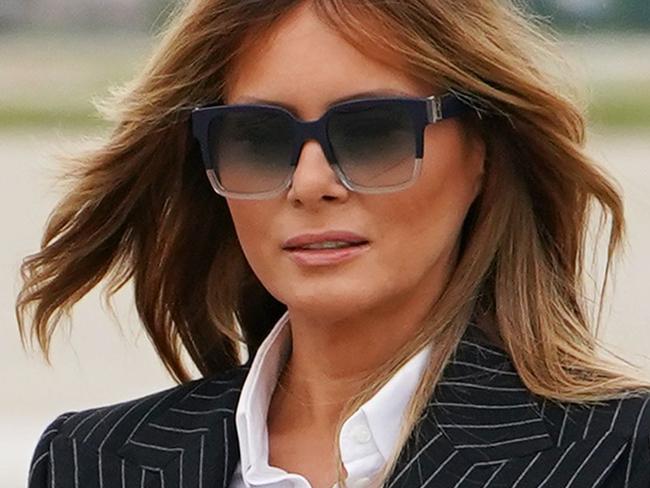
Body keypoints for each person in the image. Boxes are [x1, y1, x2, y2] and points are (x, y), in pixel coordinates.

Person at [17, 0, 650, 487]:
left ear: (482, 154)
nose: (311, 183)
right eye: (257, 139)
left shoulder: (623, 452)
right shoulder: (88, 460)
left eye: (374, 132)